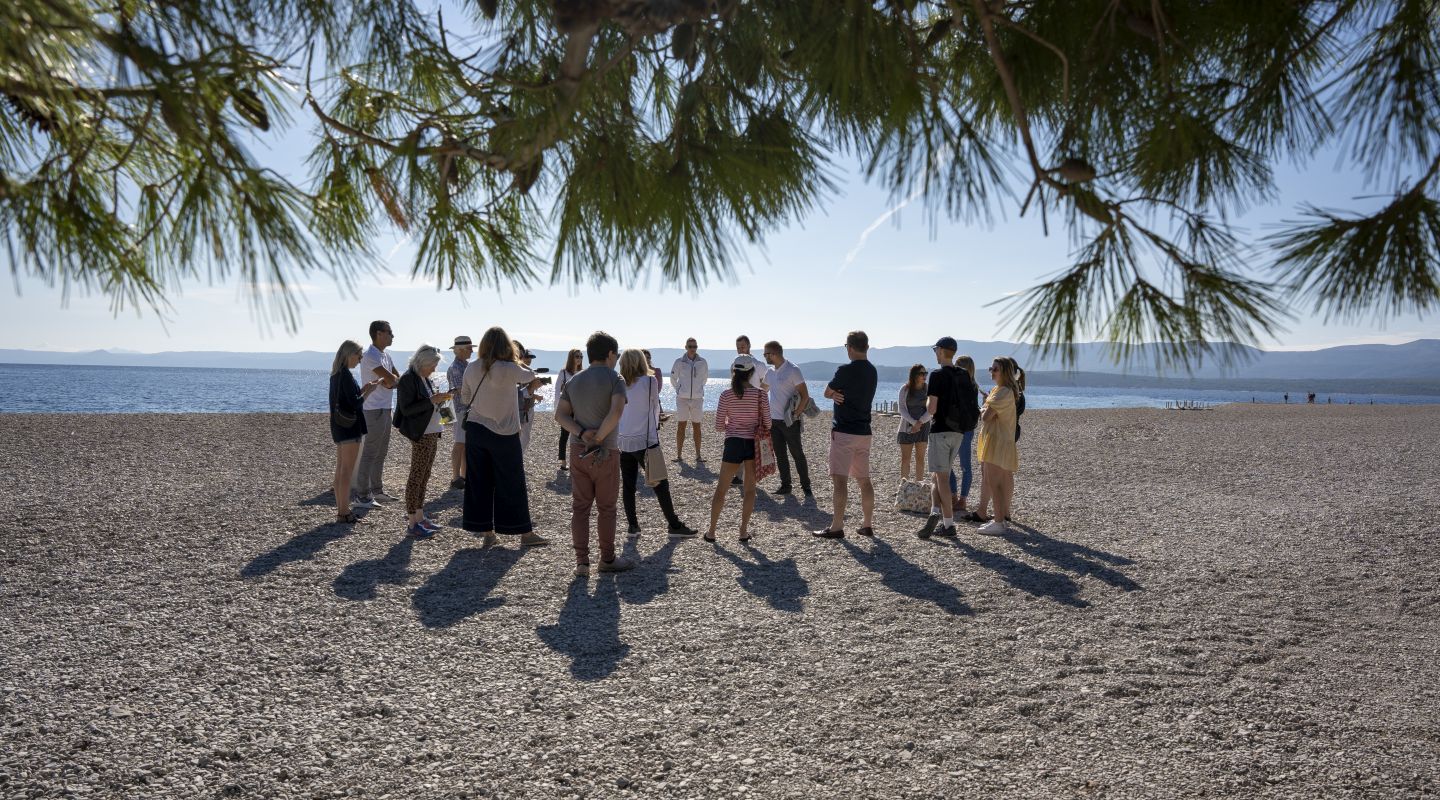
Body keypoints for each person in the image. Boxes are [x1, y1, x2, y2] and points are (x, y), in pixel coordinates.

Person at [460, 327, 550, 548]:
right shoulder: (510, 368)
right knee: (512, 482)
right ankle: (524, 533)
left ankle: (487, 533)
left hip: (477, 428)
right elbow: (530, 375)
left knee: (479, 482)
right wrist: (516, 358)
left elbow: (465, 397)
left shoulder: (471, 368)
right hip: (505, 432)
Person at [556, 331, 636, 576]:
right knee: (606, 508)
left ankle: (581, 562)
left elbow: (560, 416)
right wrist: (599, 438)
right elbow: (616, 413)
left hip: (578, 450)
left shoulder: (574, 381)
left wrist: (582, 434)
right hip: (606, 450)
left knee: (580, 507)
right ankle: (607, 559)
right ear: (610, 354)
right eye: (617, 354)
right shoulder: (616, 379)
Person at [617, 349, 697, 538]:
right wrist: (656, 428)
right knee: (660, 483)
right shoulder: (649, 381)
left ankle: (633, 526)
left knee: (628, 485)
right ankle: (674, 525)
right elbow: (654, 408)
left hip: (624, 439)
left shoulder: (618, 384)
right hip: (646, 439)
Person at [814, 331, 878, 538]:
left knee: (840, 481)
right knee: (864, 480)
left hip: (844, 431)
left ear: (849, 347)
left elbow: (826, 392)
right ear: (866, 347)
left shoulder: (845, 370)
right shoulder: (873, 371)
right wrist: (836, 394)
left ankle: (837, 526)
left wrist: (834, 394)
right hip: (864, 432)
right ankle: (867, 524)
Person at [915, 339, 981, 538]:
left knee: (942, 478)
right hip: (959, 432)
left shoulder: (937, 375)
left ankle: (949, 524)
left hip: (941, 430)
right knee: (937, 474)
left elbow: (932, 408)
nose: (935, 353)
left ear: (942, 351)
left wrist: (927, 402)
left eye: (936, 350)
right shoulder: (964, 375)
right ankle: (935, 513)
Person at [706, 357, 772, 543]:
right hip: (753, 444)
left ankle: (711, 531)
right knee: (750, 489)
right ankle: (743, 531)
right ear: (751, 373)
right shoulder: (760, 395)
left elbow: (719, 426)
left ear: (734, 372)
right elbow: (767, 423)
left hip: (733, 442)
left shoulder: (726, 395)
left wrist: (732, 424)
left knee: (722, 488)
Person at [392, 344, 452, 538]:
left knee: (424, 475)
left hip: (433, 431)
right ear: (423, 363)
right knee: (416, 476)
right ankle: (411, 523)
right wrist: (433, 400)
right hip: (421, 433)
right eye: (432, 365)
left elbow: (432, 403)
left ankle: (419, 516)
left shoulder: (425, 378)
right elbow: (407, 409)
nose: (434, 369)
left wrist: (443, 402)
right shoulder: (408, 379)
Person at [329, 340, 381, 523]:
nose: (359, 360)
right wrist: (369, 392)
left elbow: (347, 399)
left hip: (339, 426)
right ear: (349, 354)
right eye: (358, 356)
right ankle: (343, 512)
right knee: (346, 471)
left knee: (340, 469)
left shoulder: (336, 374)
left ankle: (341, 509)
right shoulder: (344, 375)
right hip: (349, 427)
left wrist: (364, 389)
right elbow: (355, 404)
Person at [351, 320, 401, 509]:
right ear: (379, 334)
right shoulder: (370, 355)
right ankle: (362, 495)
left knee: (381, 452)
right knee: (371, 452)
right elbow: (391, 379)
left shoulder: (385, 355)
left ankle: (377, 490)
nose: (392, 336)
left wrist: (391, 382)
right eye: (389, 332)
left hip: (386, 408)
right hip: (373, 409)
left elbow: (396, 378)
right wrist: (391, 381)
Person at [976, 358, 1021, 536]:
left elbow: (986, 416)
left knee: (994, 482)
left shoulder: (1002, 392)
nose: (992, 372)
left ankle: (998, 521)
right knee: (995, 481)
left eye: (995, 369)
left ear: (1005, 372)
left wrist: (983, 407)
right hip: (997, 440)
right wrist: (987, 407)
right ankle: (999, 519)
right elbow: (989, 413)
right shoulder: (999, 390)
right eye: (991, 368)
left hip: (998, 441)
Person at [762, 340, 813, 497]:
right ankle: (786, 486)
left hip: (790, 421)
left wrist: (795, 414)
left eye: (766, 354)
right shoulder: (770, 372)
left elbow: (805, 396)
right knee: (780, 454)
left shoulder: (793, 370)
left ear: (774, 354)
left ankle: (806, 486)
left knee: (797, 453)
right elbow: (762, 391)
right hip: (774, 421)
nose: (765, 357)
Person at [950, 355, 986, 523]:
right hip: (966, 429)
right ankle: (957, 497)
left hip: (959, 428)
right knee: (962, 465)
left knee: (956, 464)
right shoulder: (973, 385)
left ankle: (959, 498)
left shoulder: (963, 385)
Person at [670, 338, 709, 461]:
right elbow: (673, 378)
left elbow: (704, 379)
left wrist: (699, 390)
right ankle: (679, 455)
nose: (693, 349)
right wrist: (679, 390)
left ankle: (698, 455)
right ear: (686, 347)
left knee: (697, 426)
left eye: (695, 346)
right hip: (682, 399)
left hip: (697, 399)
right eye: (690, 346)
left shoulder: (703, 362)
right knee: (681, 425)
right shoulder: (679, 362)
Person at [446, 335, 473, 489]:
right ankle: (456, 476)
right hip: (460, 410)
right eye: (469, 348)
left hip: (464, 409)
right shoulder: (456, 368)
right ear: (461, 350)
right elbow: (461, 391)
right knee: (459, 443)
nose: (471, 351)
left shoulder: (465, 365)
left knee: (464, 444)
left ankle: (463, 475)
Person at [896, 364, 931, 481]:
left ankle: (919, 486)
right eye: (922, 374)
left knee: (920, 459)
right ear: (914, 375)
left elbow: (931, 409)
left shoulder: (928, 389)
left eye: (925, 373)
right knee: (905, 459)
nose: (924, 376)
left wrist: (919, 422)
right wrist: (913, 422)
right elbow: (902, 409)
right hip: (906, 427)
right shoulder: (904, 389)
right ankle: (903, 486)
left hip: (923, 427)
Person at [554, 349, 583, 471]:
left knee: (579, 435)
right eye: (577, 356)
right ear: (571, 357)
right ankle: (563, 461)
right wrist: (556, 410)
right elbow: (556, 392)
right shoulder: (564, 373)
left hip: (580, 409)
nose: (579, 358)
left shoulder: (583, 373)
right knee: (564, 436)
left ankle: (577, 461)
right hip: (566, 409)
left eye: (581, 356)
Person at [513, 341, 544, 451]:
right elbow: (517, 394)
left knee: (524, 438)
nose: (529, 359)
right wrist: (531, 389)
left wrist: (533, 392)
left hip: (526, 408)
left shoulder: (526, 372)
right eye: (526, 357)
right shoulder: (521, 372)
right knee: (523, 438)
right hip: (521, 410)